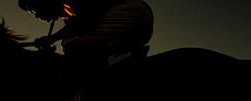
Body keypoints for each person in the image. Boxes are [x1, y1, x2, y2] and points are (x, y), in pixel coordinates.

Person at [19, 0, 154, 68]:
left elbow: (84, 21)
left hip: (131, 12)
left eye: (34, 9)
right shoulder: (69, 13)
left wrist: (52, 38)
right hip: (140, 26)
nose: (37, 16)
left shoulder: (72, 5)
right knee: (73, 46)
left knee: (73, 47)